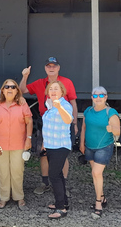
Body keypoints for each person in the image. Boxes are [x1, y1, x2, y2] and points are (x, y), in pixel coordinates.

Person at [19, 57, 78, 195]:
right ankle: (45, 183)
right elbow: (22, 90)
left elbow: (74, 103)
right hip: (45, 122)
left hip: (63, 122)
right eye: (48, 66)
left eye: (54, 66)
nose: (51, 68)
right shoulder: (40, 83)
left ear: (58, 68)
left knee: (62, 154)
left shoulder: (67, 82)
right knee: (43, 153)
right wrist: (25, 76)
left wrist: (74, 123)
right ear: (45, 68)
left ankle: (61, 184)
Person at [0, 79, 33, 210]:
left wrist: (29, 138)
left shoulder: (22, 104)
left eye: (13, 87)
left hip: (18, 143)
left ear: (16, 90)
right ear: (2, 90)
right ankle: (4, 198)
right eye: (6, 86)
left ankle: (19, 197)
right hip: (0, 144)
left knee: (18, 171)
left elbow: (29, 122)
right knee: (3, 172)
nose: (10, 89)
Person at [79, 86, 120, 218]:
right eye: (95, 95)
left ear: (106, 97)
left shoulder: (111, 112)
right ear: (92, 97)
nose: (98, 98)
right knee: (95, 175)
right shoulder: (88, 111)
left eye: (101, 95)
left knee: (96, 173)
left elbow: (118, 132)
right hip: (90, 146)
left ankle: (98, 203)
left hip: (104, 147)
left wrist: (112, 129)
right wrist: (81, 143)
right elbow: (84, 128)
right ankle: (102, 197)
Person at [41, 80, 73, 219]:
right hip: (51, 146)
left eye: (56, 89)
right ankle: (63, 203)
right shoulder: (50, 105)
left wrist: (60, 107)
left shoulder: (64, 105)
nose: (53, 91)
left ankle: (61, 209)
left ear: (62, 92)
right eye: (51, 89)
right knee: (58, 175)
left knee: (53, 176)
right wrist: (44, 142)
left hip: (60, 146)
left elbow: (68, 120)